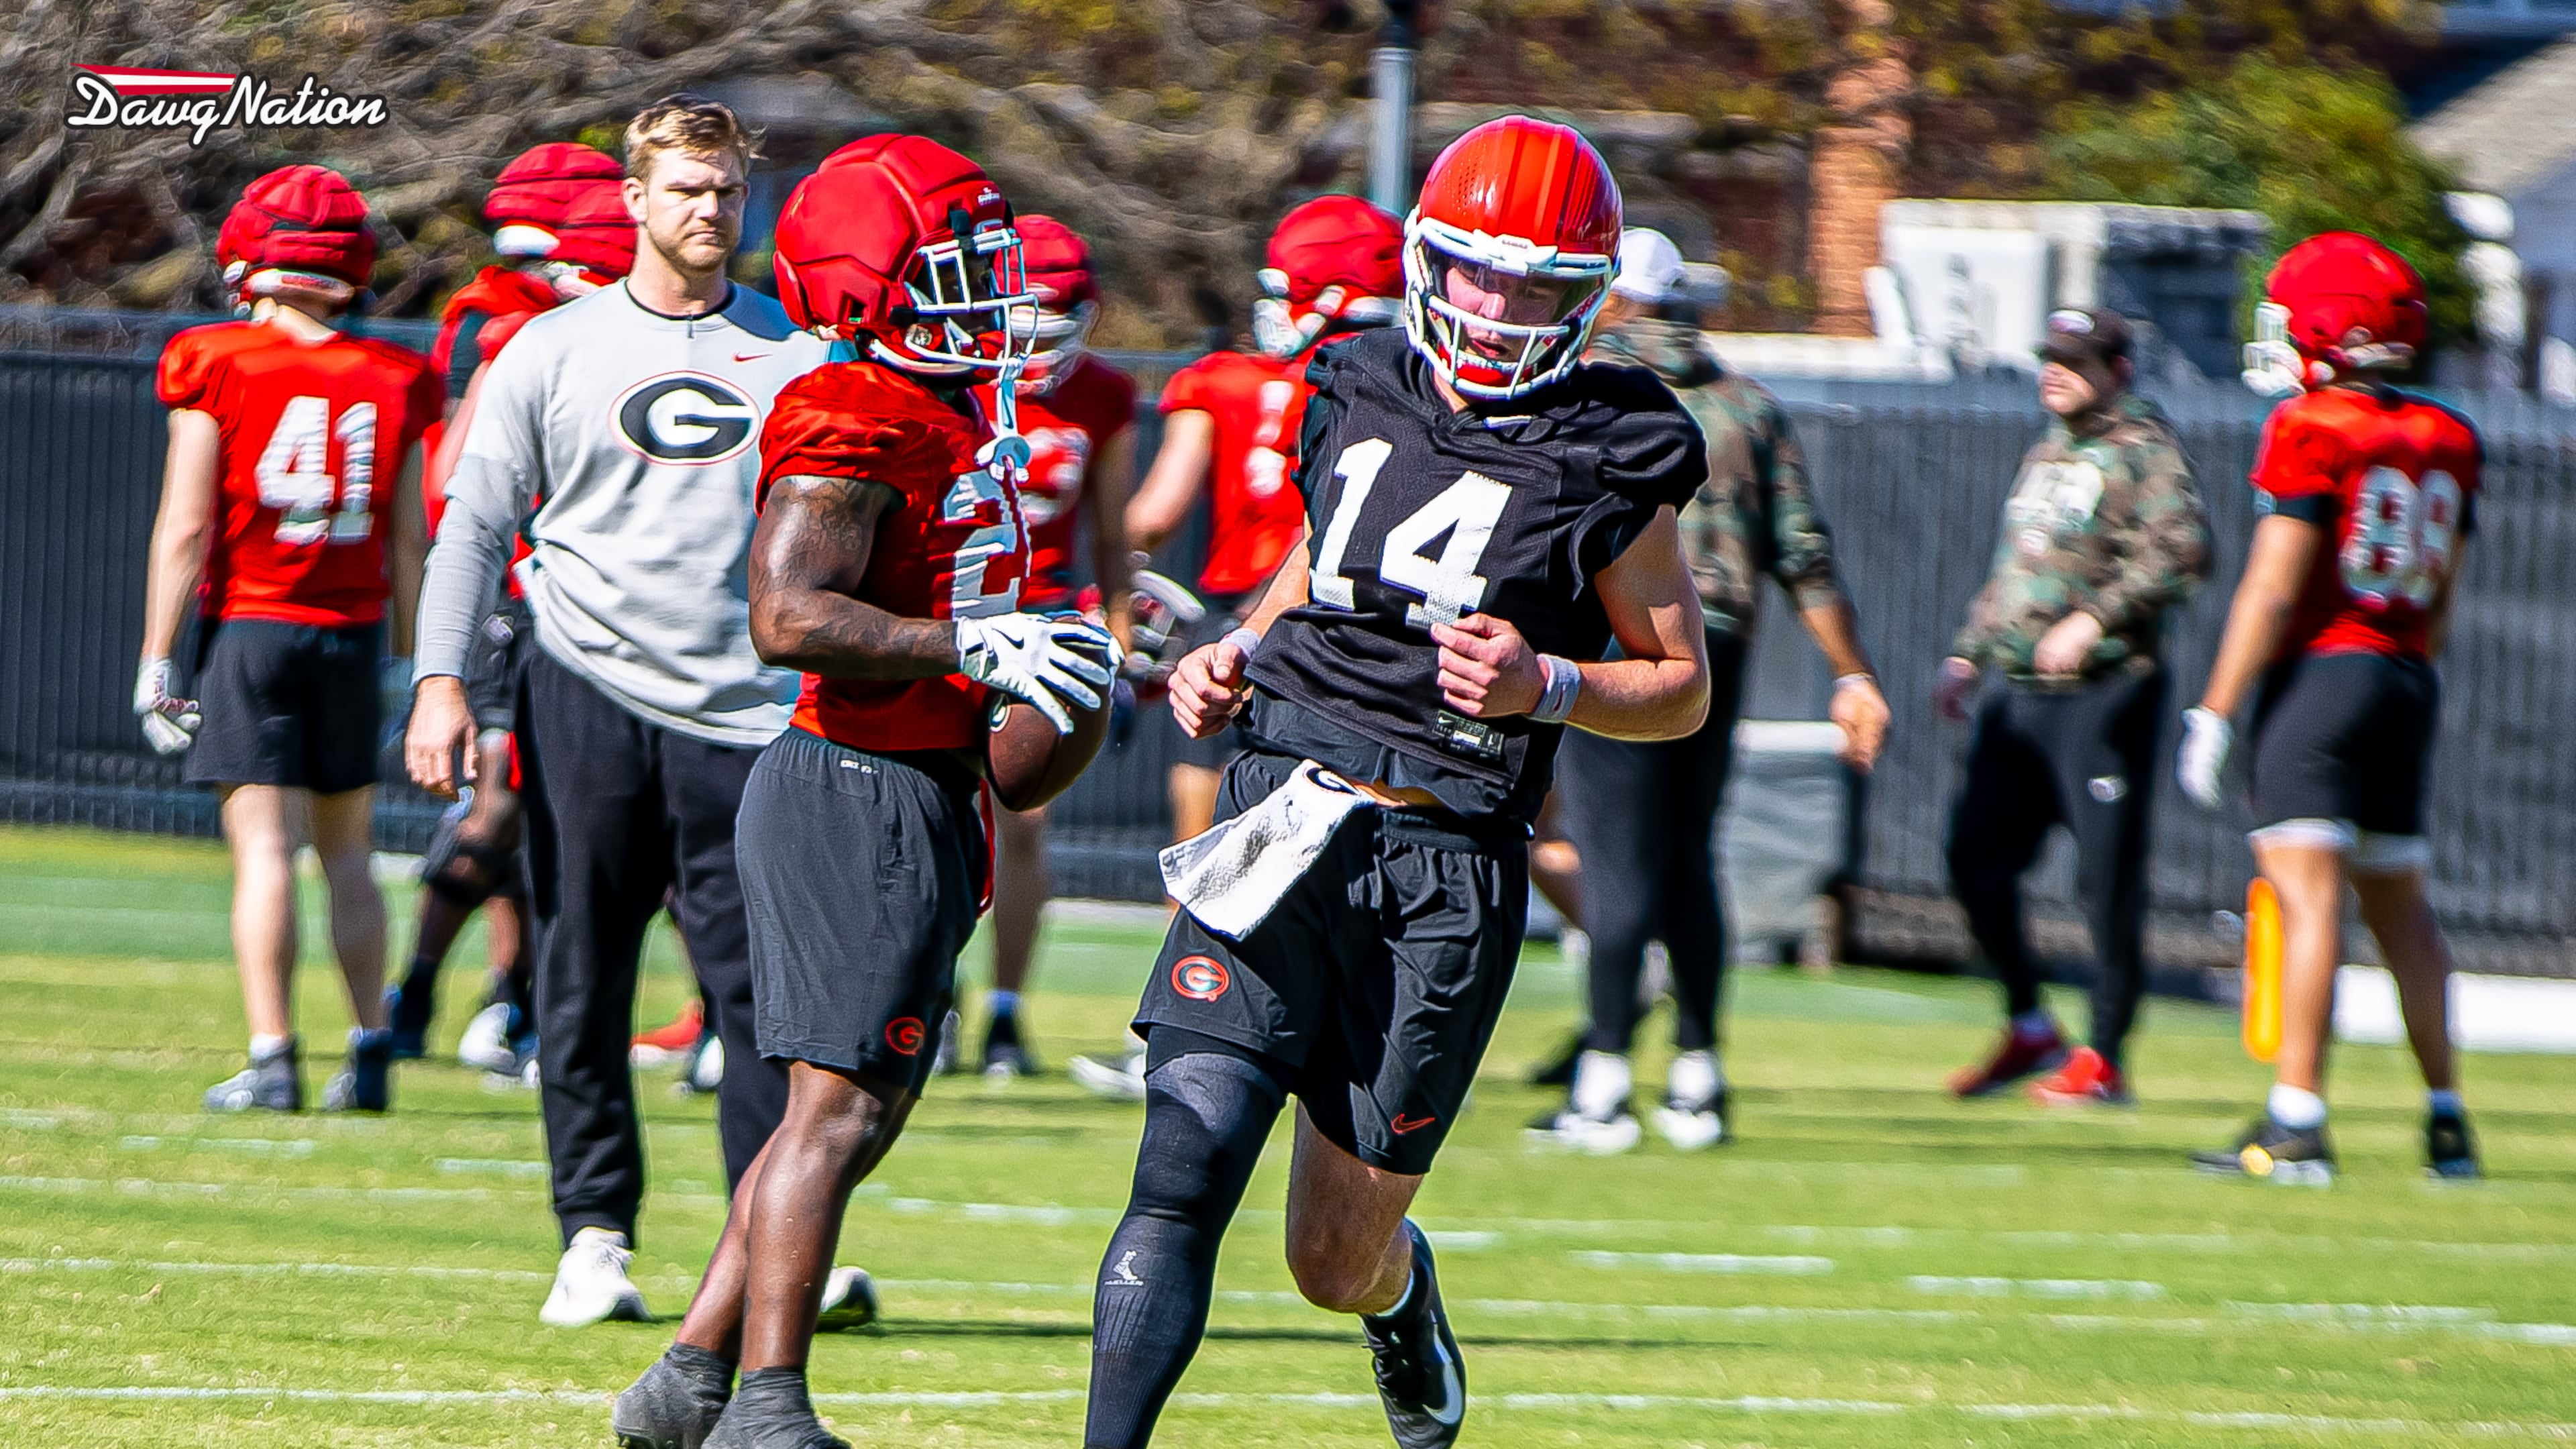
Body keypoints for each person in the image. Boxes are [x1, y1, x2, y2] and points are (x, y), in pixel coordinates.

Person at [1083, 117, 1711, 1449]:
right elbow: (1316, 567)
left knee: (1331, 1260)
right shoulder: (1356, 376)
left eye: (1535, 281)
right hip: (1280, 816)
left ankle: (1400, 1292)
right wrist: (1238, 652)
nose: (1497, 306)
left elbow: (1681, 685)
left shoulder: (1617, 444)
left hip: (1443, 864)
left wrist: (1550, 685)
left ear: (1582, 294)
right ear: (1428, 260)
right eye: (1477, 271)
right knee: (1181, 1163)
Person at [611, 134, 1117, 1449]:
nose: (997, 292)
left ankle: (686, 1387)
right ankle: (767, 1404)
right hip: (854, 788)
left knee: (858, 1116)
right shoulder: (859, 408)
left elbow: (988, 656)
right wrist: (970, 645)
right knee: (832, 1113)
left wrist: (1089, 658)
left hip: (923, 793)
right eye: (962, 268)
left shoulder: (956, 414)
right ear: (869, 283)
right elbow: (786, 613)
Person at [405, 95, 867, 1330]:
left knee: (763, 999)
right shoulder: (551, 349)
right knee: (581, 973)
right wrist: (441, 680)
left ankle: (766, 1249)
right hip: (586, 690)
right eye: (686, 190)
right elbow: (474, 527)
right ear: (635, 202)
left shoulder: (797, 352)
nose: (710, 211)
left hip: (751, 716)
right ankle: (594, 1236)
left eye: (726, 191)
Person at [1529, 226, 1891, 1152]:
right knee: (1687, 854)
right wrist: (1851, 672)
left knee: (1614, 860)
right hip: (1715, 650)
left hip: (1613, 641)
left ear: (1608, 295)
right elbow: (1805, 556)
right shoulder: (1748, 405)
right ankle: (1698, 1070)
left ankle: (1604, 1080)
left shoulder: (1581, 389)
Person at [1068, 193, 1405, 1102]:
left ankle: (1187, 1042)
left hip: (1239, 634)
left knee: (1209, 851)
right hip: (1360, 639)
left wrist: (1088, 577)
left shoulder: (1219, 379)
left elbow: (1154, 514)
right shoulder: (1408, 386)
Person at [134, 165, 437, 1117]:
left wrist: (155, 657)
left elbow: (185, 526)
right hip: (350, 635)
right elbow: (408, 539)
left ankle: (272, 1055)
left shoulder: (213, 358)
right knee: (348, 851)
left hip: (256, 630)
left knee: (264, 850)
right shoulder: (399, 376)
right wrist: (414, 664)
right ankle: (371, 1045)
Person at [2181, 233, 2481, 1183]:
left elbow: (2272, 591)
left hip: (2324, 674)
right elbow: (2443, 595)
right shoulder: (2451, 435)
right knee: (2402, 906)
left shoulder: (2312, 426)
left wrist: (2217, 711)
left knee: (2308, 895)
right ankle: (2446, 1121)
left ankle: (2299, 1119)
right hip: (2404, 675)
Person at [388, 143, 630, 1074]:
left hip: (600, 610)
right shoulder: (503, 330)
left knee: (558, 820)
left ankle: (516, 1002)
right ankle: (420, 990)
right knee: (498, 804)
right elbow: (457, 483)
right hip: (521, 600)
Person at [1937, 307, 2211, 1106]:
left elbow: (2186, 551)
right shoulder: (2052, 449)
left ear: (2118, 371)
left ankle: (2108, 1056)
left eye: (2076, 361)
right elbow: (2016, 569)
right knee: (1973, 859)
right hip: (2021, 693)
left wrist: (2095, 619)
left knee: (2105, 880)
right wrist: (1968, 650)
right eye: (2049, 358)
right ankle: (2028, 1023)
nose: (2055, 372)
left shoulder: (2144, 450)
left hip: (2104, 692)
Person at [976, 213, 1138, 1079]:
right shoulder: (955, 372)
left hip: (1043, 622)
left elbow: (1112, 535)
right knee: (929, 821)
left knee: (1022, 825)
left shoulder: (1102, 396)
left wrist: (1115, 639)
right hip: (953, 619)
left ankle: (1003, 1014)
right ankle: (917, 996)